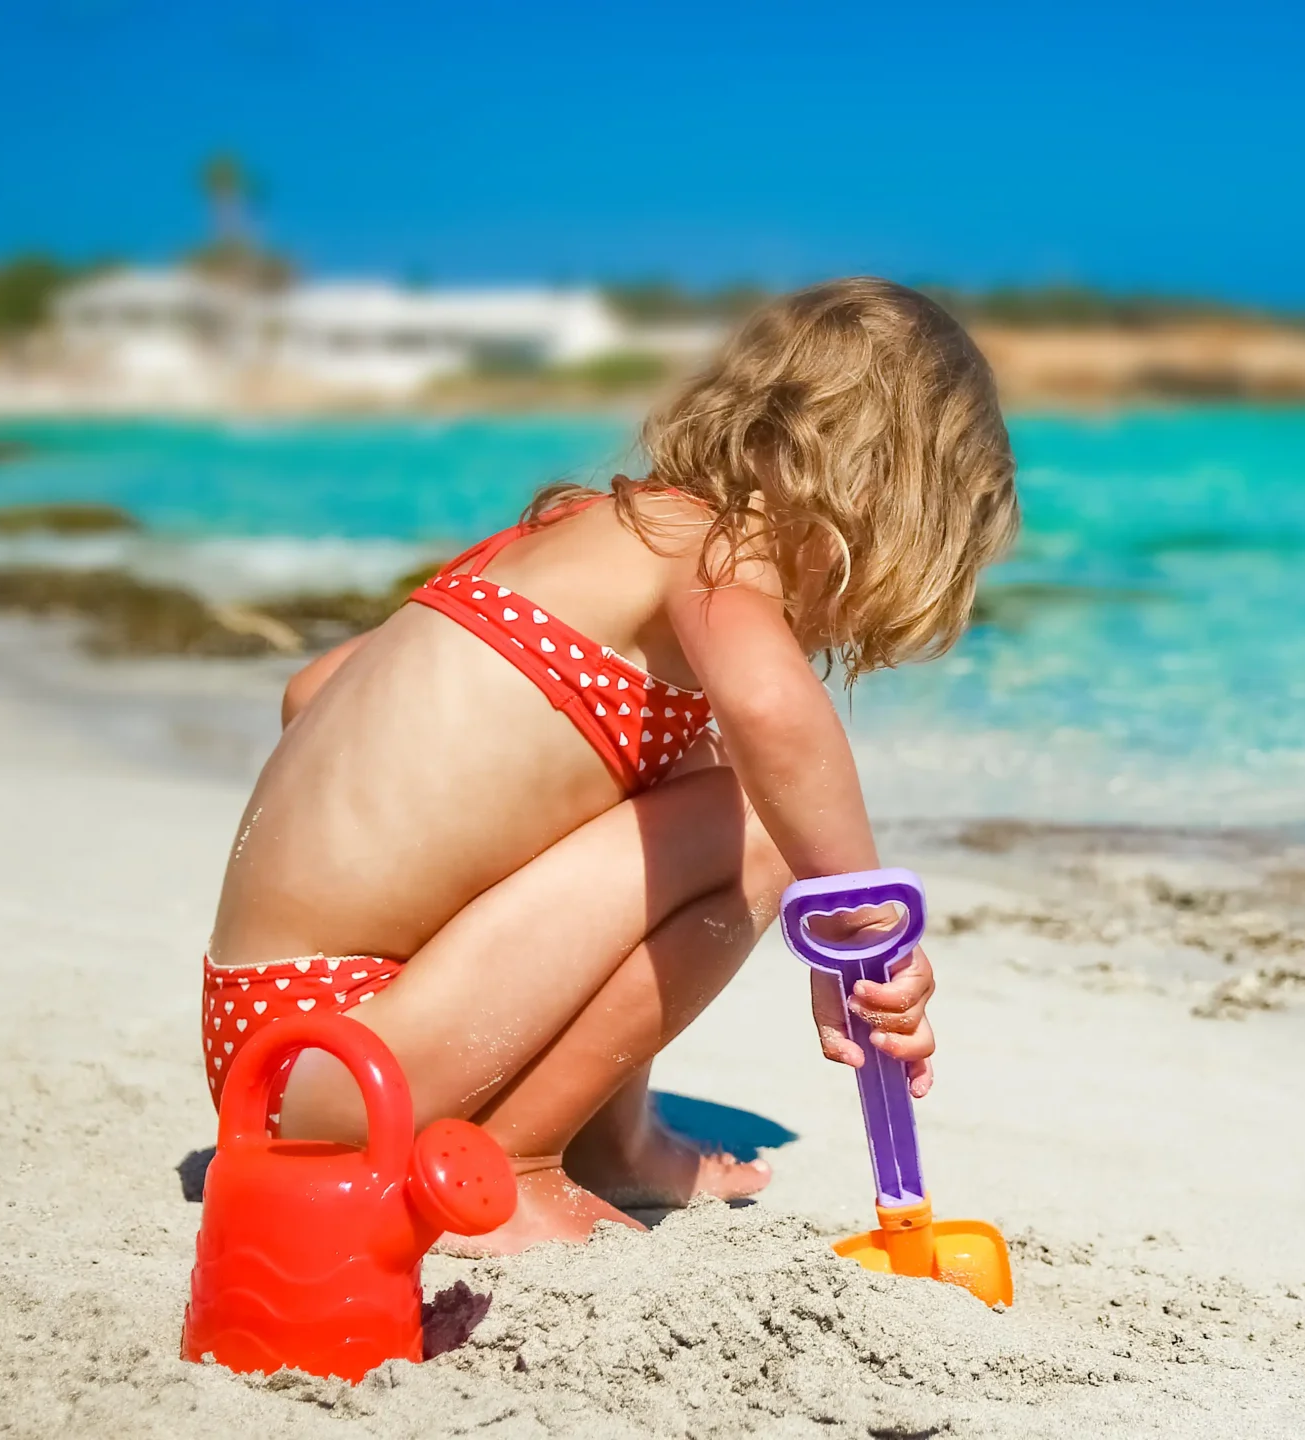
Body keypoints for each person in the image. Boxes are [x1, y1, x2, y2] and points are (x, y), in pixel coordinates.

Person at [200, 278, 1019, 1253]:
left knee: (674, 773)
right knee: (751, 819)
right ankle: (517, 1161)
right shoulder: (716, 557)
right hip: (359, 1067)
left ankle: (615, 1143)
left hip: (272, 1054)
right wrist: (856, 926)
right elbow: (772, 711)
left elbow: (316, 688)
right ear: (882, 499)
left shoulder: (574, 537)